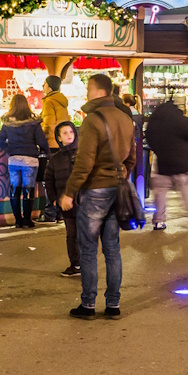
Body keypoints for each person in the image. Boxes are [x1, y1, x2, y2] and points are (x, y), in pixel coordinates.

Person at [59, 73, 135, 321]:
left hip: (95, 191)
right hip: (117, 188)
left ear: (99, 91)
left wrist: (69, 192)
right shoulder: (125, 119)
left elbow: (84, 162)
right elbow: (132, 158)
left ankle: (88, 304)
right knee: (112, 249)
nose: (87, 92)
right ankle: (113, 304)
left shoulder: (93, 120)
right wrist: (122, 175)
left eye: (90, 88)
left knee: (89, 249)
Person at [143, 93, 188, 230]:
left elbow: (148, 137)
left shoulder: (155, 122)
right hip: (183, 163)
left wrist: (158, 149)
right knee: (187, 193)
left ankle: (158, 221)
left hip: (163, 163)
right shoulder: (180, 120)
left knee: (160, 194)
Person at [0, 94, 48, 229]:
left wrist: (9, 149)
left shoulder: (8, 123)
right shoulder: (33, 123)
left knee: (15, 189)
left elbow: (0, 140)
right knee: (28, 189)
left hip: (14, 159)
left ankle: (17, 221)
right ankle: (27, 220)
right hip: (30, 160)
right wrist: (45, 152)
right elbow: (42, 141)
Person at [43, 121, 81, 275]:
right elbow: (49, 179)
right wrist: (53, 198)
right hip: (65, 205)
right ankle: (75, 264)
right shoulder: (55, 159)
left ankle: (86, 263)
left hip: (83, 202)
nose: (69, 135)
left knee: (84, 234)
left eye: (71, 132)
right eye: (65, 133)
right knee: (71, 234)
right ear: (59, 138)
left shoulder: (83, 154)